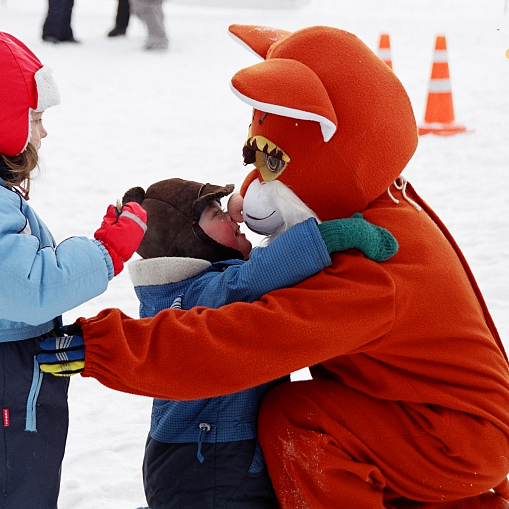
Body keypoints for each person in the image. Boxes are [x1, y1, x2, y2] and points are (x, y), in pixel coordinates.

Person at [38, 25, 509, 509]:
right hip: (430, 417)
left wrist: (104, 347)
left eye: (272, 163)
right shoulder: (374, 203)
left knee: (297, 417)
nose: (245, 196)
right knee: (325, 408)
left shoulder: (374, 266)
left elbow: (245, 340)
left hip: (452, 441)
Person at [112, 177, 398, 509]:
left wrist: (242, 207)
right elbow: (259, 272)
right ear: (188, 238)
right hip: (211, 463)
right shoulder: (200, 296)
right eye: (214, 214)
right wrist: (332, 236)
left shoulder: (178, 292)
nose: (231, 219)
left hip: (196, 456)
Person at [0, 32, 147, 508]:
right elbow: (27, 287)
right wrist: (107, 251)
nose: (43, 132)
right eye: (35, 118)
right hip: (9, 378)